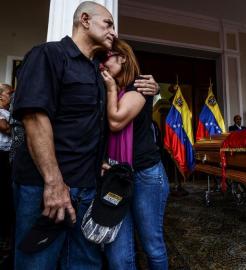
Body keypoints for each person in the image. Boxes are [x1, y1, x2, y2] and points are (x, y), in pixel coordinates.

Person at [11, 2, 158, 269]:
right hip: (46, 188)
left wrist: (151, 88)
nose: (113, 31)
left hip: (88, 189)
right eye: (108, 24)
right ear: (86, 20)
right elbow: (34, 119)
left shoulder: (98, 72)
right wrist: (54, 183)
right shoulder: (49, 54)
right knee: (37, 264)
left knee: (85, 263)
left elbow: (99, 122)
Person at [101, 39, 169, 269]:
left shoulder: (140, 85)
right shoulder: (102, 87)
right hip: (115, 177)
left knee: (153, 246)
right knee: (118, 255)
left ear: (123, 57)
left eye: (106, 57)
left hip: (145, 174)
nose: (101, 64)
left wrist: (111, 89)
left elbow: (116, 121)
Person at [0, 83, 13, 257]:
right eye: (9, 93)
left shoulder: (8, 111)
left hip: (7, 156)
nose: (11, 97)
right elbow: (5, 128)